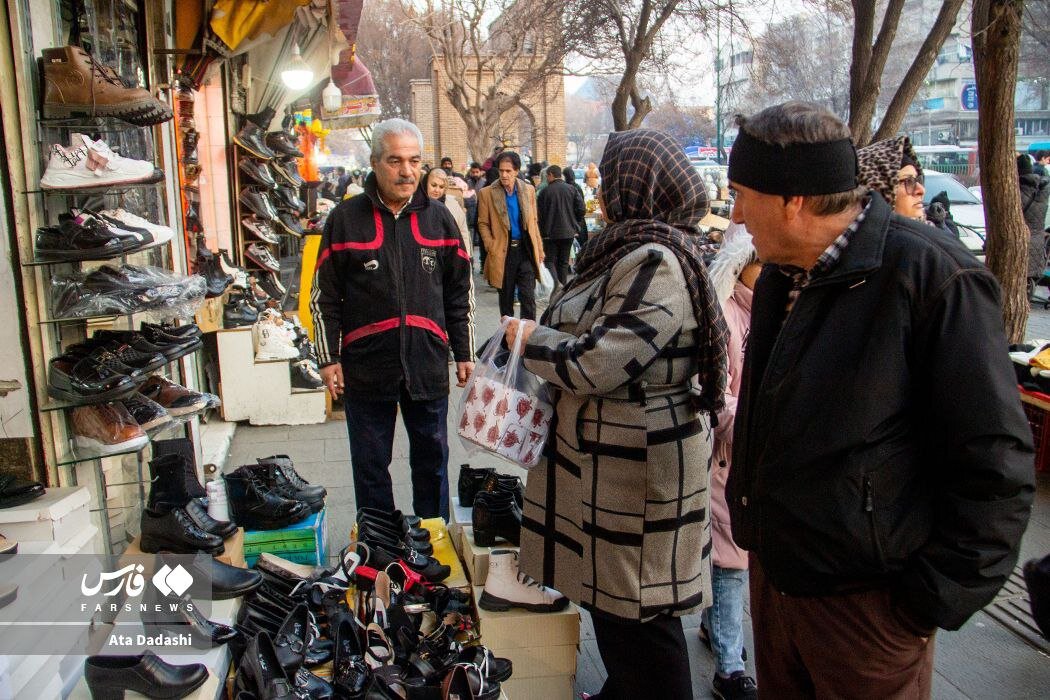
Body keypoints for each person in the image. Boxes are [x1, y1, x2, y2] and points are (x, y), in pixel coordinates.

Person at [725, 101, 1034, 698]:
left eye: (742, 193)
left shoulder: (932, 276)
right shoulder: (782, 277)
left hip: (870, 611)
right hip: (779, 584)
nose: (735, 213)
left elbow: (995, 466)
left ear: (793, 199)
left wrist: (925, 602)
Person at [504, 129, 729, 700]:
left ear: (641, 184)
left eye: (612, 178)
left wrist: (531, 339)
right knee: (615, 604)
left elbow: (603, 361)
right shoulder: (626, 247)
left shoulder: (656, 259)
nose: (602, 190)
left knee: (643, 613)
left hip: (638, 466)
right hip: (609, 460)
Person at [310, 118, 475, 522]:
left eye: (414, 161)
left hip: (427, 362)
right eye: (395, 160)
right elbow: (324, 297)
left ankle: (433, 547)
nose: (406, 171)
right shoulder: (345, 219)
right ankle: (379, 546)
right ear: (374, 162)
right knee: (370, 467)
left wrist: (464, 351)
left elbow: (460, 291)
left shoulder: (439, 219)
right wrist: (328, 358)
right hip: (366, 366)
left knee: (433, 463)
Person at [702, 223, 760, 700]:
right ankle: (729, 667)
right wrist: (756, 419)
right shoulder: (723, 315)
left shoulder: (785, 313)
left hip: (767, 459)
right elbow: (713, 395)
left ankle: (713, 627)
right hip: (729, 458)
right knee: (731, 561)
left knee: (741, 557)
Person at [477, 150, 545, 319]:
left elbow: (533, 222)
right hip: (502, 251)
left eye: (508, 171)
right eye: (501, 171)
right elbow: (482, 223)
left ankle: (528, 337)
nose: (504, 175)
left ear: (516, 171)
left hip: (525, 250)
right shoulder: (487, 193)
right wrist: (490, 245)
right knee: (506, 300)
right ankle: (507, 339)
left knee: (528, 298)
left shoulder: (528, 190)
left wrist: (540, 248)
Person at [857, 136, 926, 220]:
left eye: (918, 180)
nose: (921, 190)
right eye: (909, 181)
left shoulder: (933, 230)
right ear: (880, 190)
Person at [536, 164, 583, 286]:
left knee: (550, 260)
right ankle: (562, 286)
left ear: (551, 175)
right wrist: (575, 222)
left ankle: (556, 284)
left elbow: (538, 213)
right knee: (563, 262)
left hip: (549, 233)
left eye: (547, 176)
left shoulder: (544, 192)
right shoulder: (572, 189)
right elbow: (581, 209)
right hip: (568, 232)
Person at [419, 167, 472, 257]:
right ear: (426, 183)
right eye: (433, 185)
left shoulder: (453, 205)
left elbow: (463, 233)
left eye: (441, 187)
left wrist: (466, 257)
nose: (437, 190)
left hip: (447, 255)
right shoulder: (417, 204)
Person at [1018, 153, 1050, 290]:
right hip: (1037, 242)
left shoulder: (1018, 190)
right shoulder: (1042, 190)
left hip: (1020, 242)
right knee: (1028, 282)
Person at [563, 166, 589, 246]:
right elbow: (581, 204)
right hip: (579, 220)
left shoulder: (565, 188)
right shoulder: (577, 187)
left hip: (569, 220)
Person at [465, 162, 485, 264]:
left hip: (482, 217)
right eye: (473, 172)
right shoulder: (466, 183)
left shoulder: (484, 183)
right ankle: (470, 263)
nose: (475, 174)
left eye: (477, 172)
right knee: (470, 242)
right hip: (470, 217)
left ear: (480, 172)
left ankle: (482, 263)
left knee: (482, 242)